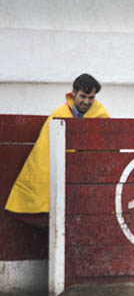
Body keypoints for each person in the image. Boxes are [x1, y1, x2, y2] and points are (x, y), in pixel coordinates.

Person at [5, 73, 110, 228]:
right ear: (73, 93)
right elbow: (42, 156)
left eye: (91, 98)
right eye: (83, 96)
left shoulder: (100, 115)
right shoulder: (59, 114)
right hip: (60, 176)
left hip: (84, 180)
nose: (87, 102)